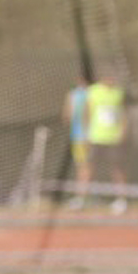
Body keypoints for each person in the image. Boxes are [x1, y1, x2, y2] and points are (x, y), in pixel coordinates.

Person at [83, 68, 129, 212]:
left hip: (113, 139)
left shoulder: (118, 93)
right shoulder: (93, 92)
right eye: (108, 77)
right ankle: (82, 198)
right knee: (89, 166)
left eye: (113, 78)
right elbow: (87, 113)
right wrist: (87, 134)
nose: (111, 80)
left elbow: (123, 114)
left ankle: (121, 199)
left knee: (117, 168)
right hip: (96, 137)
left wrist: (123, 132)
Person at [63, 74, 91, 205]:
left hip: (88, 136)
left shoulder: (91, 94)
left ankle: (82, 197)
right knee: (82, 166)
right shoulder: (73, 95)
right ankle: (81, 196)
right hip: (78, 136)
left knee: (84, 166)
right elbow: (66, 116)